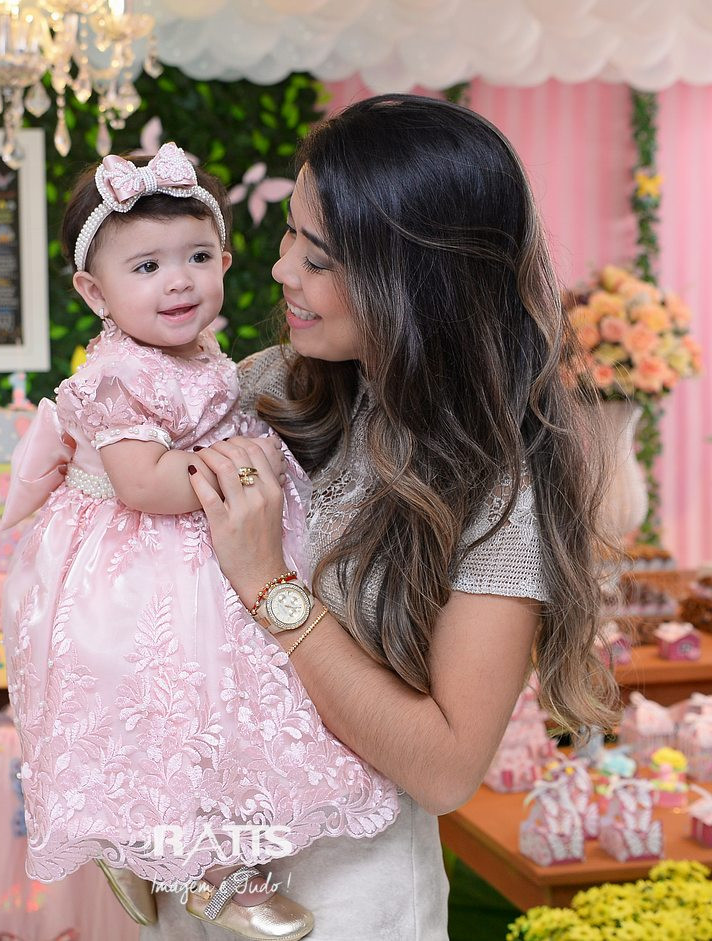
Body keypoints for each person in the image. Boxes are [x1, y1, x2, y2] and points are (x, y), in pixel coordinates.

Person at [149, 93, 620, 940]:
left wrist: (271, 585)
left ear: (416, 281)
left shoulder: (496, 486)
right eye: (289, 234)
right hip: (193, 894)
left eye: (319, 257)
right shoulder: (262, 387)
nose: (282, 270)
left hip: (345, 910)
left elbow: (445, 768)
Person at [0, 142, 400, 941]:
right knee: (161, 710)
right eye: (146, 267)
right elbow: (144, 483)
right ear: (94, 291)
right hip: (134, 572)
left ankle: (177, 844)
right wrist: (244, 469)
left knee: (226, 708)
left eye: (195, 257)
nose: (178, 281)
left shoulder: (201, 353)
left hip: (195, 556)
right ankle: (198, 865)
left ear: (224, 260)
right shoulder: (118, 374)